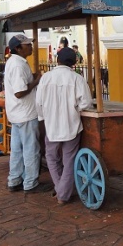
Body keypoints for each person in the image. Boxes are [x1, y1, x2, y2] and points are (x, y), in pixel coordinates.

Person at [36, 47, 92, 205]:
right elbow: (86, 103)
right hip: (72, 125)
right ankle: (63, 192)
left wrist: (44, 117)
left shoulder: (46, 78)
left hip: (52, 125)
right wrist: (75, 109)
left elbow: (38, 103)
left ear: (57, 60)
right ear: (74, 63)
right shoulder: (77, 79)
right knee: (69, 160)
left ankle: (61, 191)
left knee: (51, 157)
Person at [4, 34, 52, 193]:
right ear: (18, 48)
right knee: (31, 149)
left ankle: (15, 180)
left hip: (17, 113)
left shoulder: (14, 62)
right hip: (25, 114)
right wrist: (36, 81)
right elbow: (19, 92)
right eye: (27, 45)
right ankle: (30, 183)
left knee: (17, 150)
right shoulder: (18, 65)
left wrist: (33, 77)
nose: (30, 47)